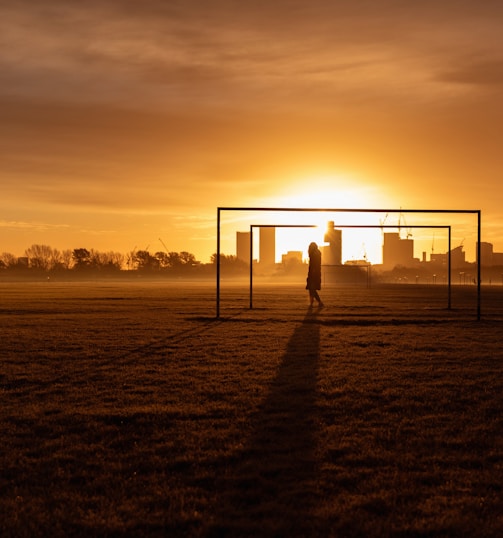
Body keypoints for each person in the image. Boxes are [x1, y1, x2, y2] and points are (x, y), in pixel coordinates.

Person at [306, 242, 324, 307]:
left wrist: (313, 272)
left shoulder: (314, 254)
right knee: (311, 289)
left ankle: (317, 302)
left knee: (312, 288)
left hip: (313, 274)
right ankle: (313, 302)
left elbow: (314, 265)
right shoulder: (317, 253)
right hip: (314, 273)